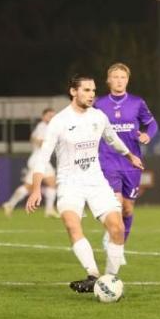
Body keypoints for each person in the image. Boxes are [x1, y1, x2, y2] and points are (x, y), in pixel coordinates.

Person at [25, 75, 143, 294]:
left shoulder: (99, 116)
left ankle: (109, 279)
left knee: (117, 229)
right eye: (86, 90)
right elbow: (43, 157)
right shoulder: (59, 121)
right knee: (72, 225)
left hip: (96, 182)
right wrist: (35, 190)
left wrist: (129, 155)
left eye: (93, 91)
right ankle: (93, 275)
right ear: (73, 91)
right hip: (69, 184)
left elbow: (111, 138)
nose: (91, 95)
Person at [94, 62, 158, 253]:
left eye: (123, 77)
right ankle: (114, 242)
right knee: (116, 204)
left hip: (131, 162)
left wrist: (148, 135)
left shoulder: (137, 103)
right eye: (115, 77)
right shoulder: (99, 104)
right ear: (108, 80)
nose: (119, 80)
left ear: (127, 80)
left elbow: (152, 124)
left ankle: (119, 244)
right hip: (108, 160)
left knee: (128, 209)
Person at [3, 108, 59, 217]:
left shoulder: (45, 127)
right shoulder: (43, 126)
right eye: (49, 115)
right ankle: (10, 204)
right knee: (29, 186)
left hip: (42, 160)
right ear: (43, 117)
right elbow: (38, 141)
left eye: (53, 116)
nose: (51, 118)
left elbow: (32, 138)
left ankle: (49, 210)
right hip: (38, 160)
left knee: (51, 183)